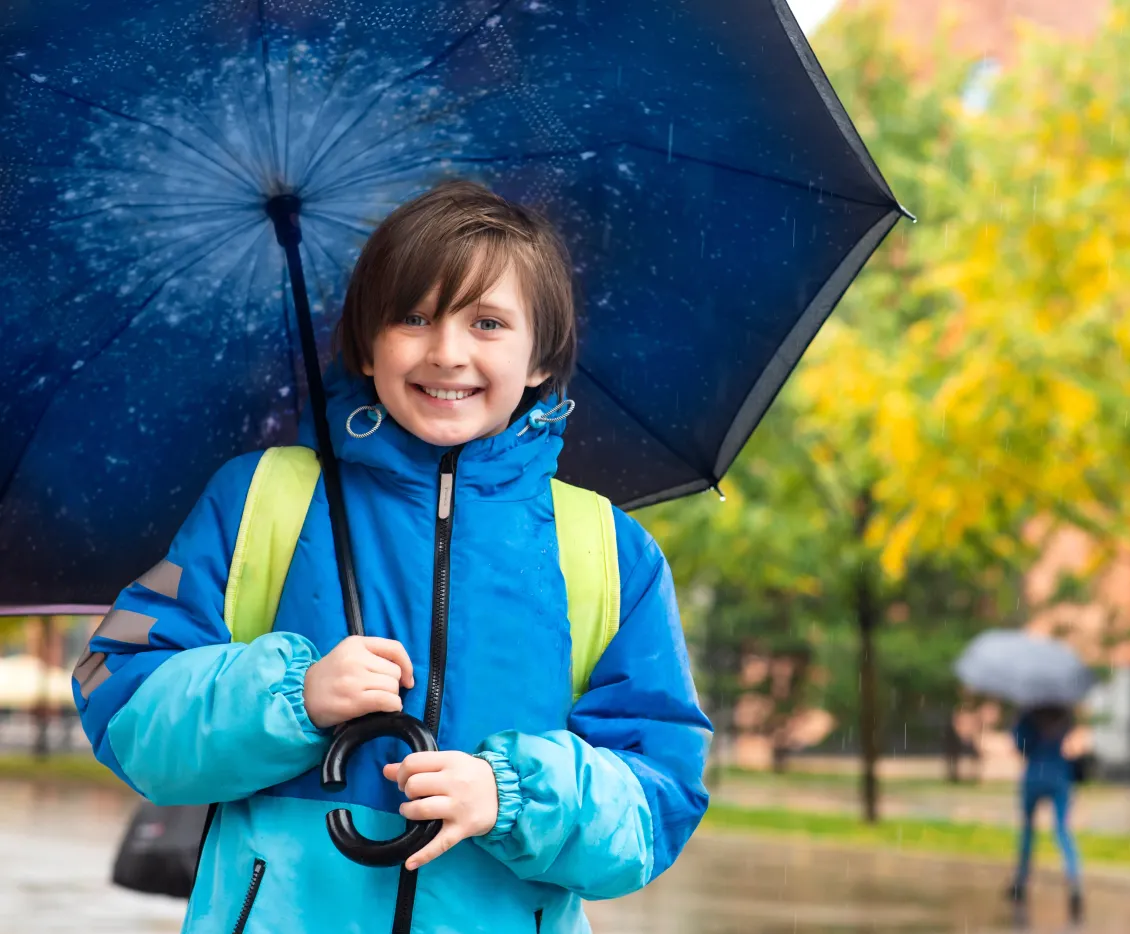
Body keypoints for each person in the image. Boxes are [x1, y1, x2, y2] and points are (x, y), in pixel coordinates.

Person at [72, 180, 711, 933]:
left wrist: (513, 797)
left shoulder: (607, 552)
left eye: (488, 323)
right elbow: (124, 704)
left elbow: (657, 802)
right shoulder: (260, 501)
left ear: (540, 358)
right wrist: (291, 697)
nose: (447, 353)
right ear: (366, 344)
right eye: (413, 317)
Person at [1007, 704, 1083, 924]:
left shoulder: (1027, 713)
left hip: (1034, 775)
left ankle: (1021, 881)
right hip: (1060, 775)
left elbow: (1021, 745)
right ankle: (1074, 878)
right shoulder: (1063, 711)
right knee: (1062, 830)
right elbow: (1069, 738)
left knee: (1028, 831)